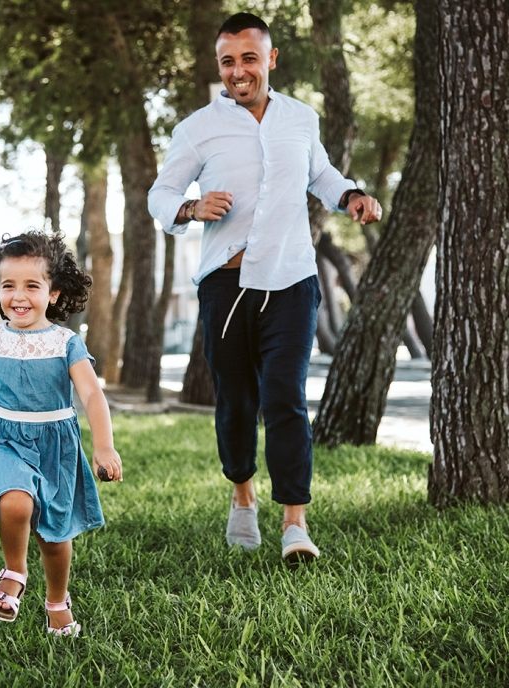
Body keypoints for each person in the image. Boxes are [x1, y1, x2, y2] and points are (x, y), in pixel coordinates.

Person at [147, 12, 382, 564]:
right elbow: (161, 193)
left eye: (249, 59)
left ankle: (295, 524)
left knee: (285, 400)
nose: (238, 71)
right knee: (235, 403)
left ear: (270, 59)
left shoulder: (301, 118)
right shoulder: (198, 127)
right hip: (226, 288)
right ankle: (242, 497)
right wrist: (190, 206)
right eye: (228, 62)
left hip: (290, 281)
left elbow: (321, 175)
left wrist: (352, 197)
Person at [0, 231, 123, 637]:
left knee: (54, 535)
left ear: (55, 293)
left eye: (32, 285)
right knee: (15, 502)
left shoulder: (66, 343)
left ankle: (57, 602)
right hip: (1, 438)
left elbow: (92, 396)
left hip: (54, 444)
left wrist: (104, 446)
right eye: (8, 285)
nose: (19, 296)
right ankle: (13, 573)